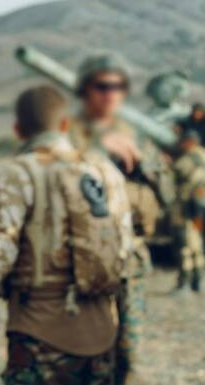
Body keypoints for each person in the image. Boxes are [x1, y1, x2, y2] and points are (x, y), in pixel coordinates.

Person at [0, 85, 133, 384]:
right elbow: (124, 250)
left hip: (39, 336)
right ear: (65, 124)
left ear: (18, 130)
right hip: (102, 334)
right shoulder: (104, 170)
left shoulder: (19, 173)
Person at [67, 53, 158, 384]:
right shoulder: (70, 132)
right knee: (90, 348)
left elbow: (164, 186)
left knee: (129, 349)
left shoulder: (137, 133)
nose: (110, 95)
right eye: (102, 86)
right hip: (88, 257)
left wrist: (148, 160)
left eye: (118, 87)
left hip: (131, 253)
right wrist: (98, 146)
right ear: (85, 90)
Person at [171, 129, 205, 293]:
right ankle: (199, 280)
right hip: (199, 209)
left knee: (185, 245)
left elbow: (177, 173)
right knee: (197, 243)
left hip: (187, 208)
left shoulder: (189, 158)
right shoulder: (202, 156)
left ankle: (186, 281)